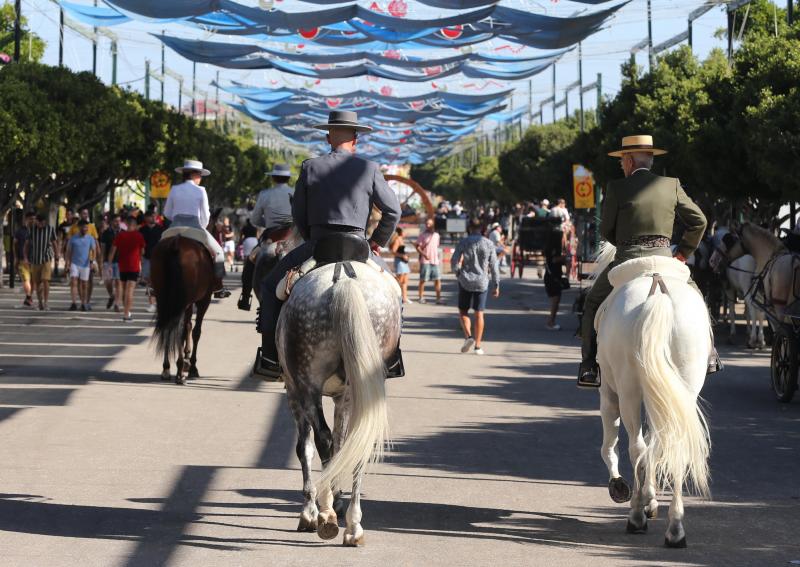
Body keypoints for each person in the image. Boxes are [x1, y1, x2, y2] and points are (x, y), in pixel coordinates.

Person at [255, 110, 401, 379]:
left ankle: (270, 356)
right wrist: (376, 242)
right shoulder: (369, 168)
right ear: (355, 139)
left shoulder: (310, 167)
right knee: (393, 292)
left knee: (269, 285)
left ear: (327, 137)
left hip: (318, 244)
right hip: (359, 246)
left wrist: (312, 234)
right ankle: (392, 358)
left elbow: (298, 212)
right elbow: (393, 212)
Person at [578, 135, 722, 388]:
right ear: (650, 160)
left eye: (622, 161)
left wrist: (623, 242)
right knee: (696, 297)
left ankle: (589, 365)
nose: (621, 166)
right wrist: (682, 253)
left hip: (627, 258)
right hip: (666, 257)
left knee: (591, 303)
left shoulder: (617, 188)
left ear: (629, 160)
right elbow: (699, 221)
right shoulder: (672, 185)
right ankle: (710, 353)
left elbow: (606, 232)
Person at [162, 159, 231, 299]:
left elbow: (167, 213)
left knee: (158, 250)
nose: (200, 178)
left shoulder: (174, 189)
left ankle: (152, 284)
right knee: (218, 253)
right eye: (199, 175)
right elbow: (206, 216)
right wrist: (202, 228)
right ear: (194, 175)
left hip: (174, 227)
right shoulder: (201, 191)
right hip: (195, 226)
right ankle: (218, 287)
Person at [238, 164, 295, 311]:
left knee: (251, 260)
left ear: (273, 178)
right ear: (288, 178)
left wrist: (268, 222)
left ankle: (245, 297)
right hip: (293, 238)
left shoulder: (264, 194)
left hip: (271, 237)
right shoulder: (295, 192)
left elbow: (255, 220)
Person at [451, 217, 500, 356]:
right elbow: (494, 266)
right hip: (482, 281)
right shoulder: (489, 244)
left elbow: (454, 260)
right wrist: (496, 285)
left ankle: (468, 336)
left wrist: (458, 273)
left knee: (463, 311)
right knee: (479, 313)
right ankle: (478, 346)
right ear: (482, 228)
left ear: (469, 227)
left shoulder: (464, 242)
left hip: (465, 280)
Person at [109, 215, 145, 322]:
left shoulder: (120, 235)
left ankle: (127, 311)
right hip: (134, 267)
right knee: (130, 291)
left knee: (124, 290)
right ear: (134, 225)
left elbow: (113, 250)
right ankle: (126, 315)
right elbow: (143, 252)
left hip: (122, 266)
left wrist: (109, 265)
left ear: (127, 224)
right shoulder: (139, 236)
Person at [65, 219, 101, 311]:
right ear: (79, 227)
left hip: (86, 264)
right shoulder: (73, 238)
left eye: (86, 227)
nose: (85, 229)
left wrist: (92, 262)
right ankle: (73, 303)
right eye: (83, 227)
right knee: (74, 281)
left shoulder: (90, 238)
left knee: (84, 284)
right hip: (74, 263)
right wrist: (67, 263)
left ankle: (83, 303)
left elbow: (94, 250)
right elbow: (68, 252)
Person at [25, 213, 58, 311]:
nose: (41, 225)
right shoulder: (31, 230)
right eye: (39, 223)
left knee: (45, 280)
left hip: (46, 258)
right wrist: (26, 257)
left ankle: (46, 302)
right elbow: (26, 245)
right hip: (35, 259)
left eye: (42, 223)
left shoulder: (50, 229)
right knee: (37, 283)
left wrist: (57, 255)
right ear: (37, 222)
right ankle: (40, 302)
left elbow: (54, 243)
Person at [139, 211, 163, 313]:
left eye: (154, 216)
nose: (153, 218)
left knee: (158, 281)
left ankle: (160, 302)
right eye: (150, 216)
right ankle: (152, 303)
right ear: (146, 218)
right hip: (146, 258)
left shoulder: (160, 229)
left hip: (159, 258)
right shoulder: (142, 230)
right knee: (149, 281)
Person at [543, 225, 566, 331]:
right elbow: (554, 260)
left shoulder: (552, 246)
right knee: (555, 300)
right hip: (552, 277)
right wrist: (565, 258)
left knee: (556, 300)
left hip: (554, 276)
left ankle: (551, 321)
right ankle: (550, 322)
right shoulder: (553, 248)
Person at [415, 218, 443, 304]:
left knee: (437, 280)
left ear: (433, 225)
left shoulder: (437, 235)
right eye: (427, 224)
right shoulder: (422, 235)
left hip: (435, 261)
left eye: (429, 224)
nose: (428, 225)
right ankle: (421, 297)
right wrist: (423, 254)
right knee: (423, 280)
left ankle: (438, 299)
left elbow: (436, 246)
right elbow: (417, 246)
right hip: (425, 261)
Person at [13, 210, 35, 308]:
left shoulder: (37, 231)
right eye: (31, 219)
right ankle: (29, 296)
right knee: (26, 279)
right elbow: (15, 244)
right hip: (23, 259)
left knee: (32, 280)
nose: (33, 221)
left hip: (35, 260)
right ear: (26, 219)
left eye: (34, 219)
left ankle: (29, 297)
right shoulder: (20, 231)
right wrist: (16, 257)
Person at [101, 214, 122, 311]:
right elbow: (103, 248)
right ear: (111, 222)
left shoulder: (123, 233)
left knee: (118, 281)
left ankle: (117, 304)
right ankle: (112, 295)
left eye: (119, 221)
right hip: (107, 261)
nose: (117, 223)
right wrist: (101, 261)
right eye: (115, 221)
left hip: (120, 260)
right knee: (108, 282)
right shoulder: (106, 233)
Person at [390, 227, 412, 304]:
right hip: (400, 262)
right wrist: (402, 256)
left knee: (405, 281)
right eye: (404, 232)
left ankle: (405, 297)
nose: (406, 233)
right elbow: (393, 251)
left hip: (404, 262)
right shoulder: (397, 239)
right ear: (401, 232)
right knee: (400, 280)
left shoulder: (401, 239)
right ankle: (396, 296)